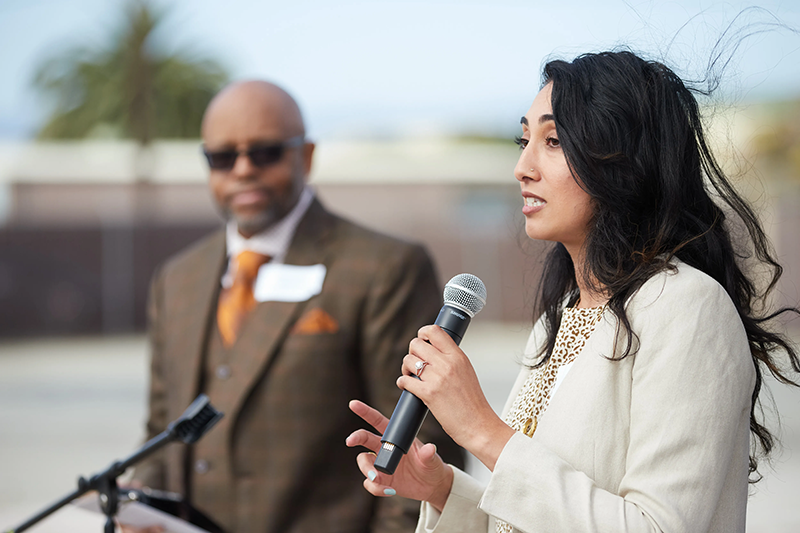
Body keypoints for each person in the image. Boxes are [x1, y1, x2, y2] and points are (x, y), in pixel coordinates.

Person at [345, 50, 800, 532]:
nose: (522, 166)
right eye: (524, 140)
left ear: (625, 162)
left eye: (554, 140)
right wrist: (442, 491)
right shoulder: (557, 319)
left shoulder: (687, 307)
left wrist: (481, 430)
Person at [131, 80, 464, 533]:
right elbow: (159, 427)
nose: (243, 169)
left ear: (305, 156)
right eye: (223, 157)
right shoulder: (177, 279)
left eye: (265, 152)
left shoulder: (385, 267)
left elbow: (422, 443)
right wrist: (141, 509)